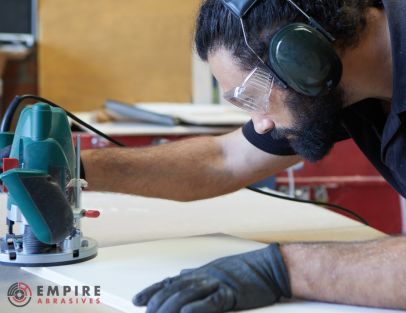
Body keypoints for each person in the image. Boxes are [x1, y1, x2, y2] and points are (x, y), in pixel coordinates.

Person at [81, 0, 406, 312]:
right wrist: (76, 168)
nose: (261, 124)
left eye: (253, 98)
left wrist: (283, 270)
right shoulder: (337, 82)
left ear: (303, 57)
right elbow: (224, 159)